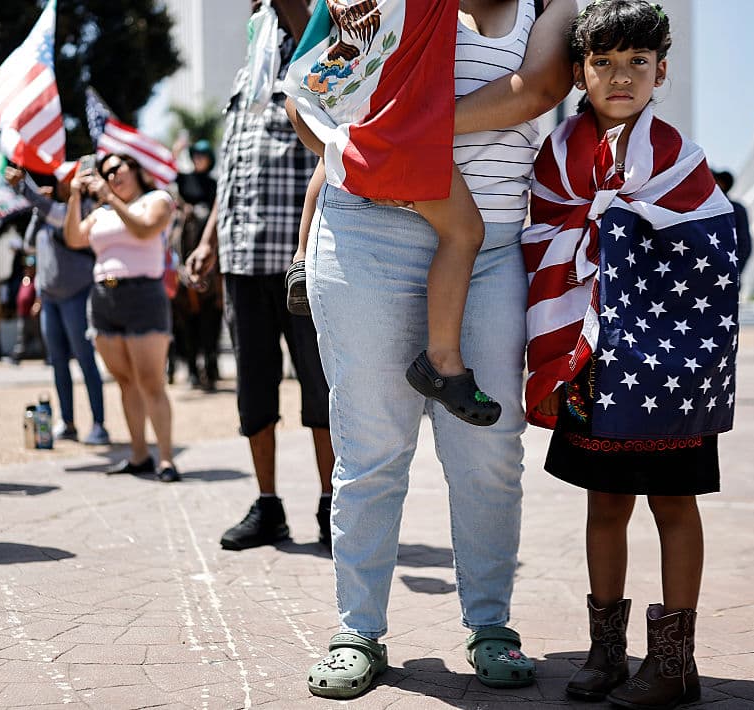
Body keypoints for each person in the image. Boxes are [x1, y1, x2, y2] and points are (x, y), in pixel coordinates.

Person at [296, 0, 577, 699]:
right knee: (369, 448)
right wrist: (364, 143)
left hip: (489, 245)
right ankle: (357, 630)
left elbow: (539, 89)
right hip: (367, 230)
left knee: (489, 452)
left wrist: (399, 130)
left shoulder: (550, 5)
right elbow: (308, 94)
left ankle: (491, 626)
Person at [524, 2, 739, 708]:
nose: (621, 76)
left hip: (664, 368)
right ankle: (606, 652)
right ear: (578, 72)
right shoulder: (556, 157)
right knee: (606, 499)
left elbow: (711, 256)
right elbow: (548, 237)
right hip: (595, 360)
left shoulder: (681, 160)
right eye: (603, 62)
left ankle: (675, 662)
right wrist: (601, 229)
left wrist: (621, 225)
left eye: (637, 63)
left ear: (661, 71)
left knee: (674, 501)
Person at [286, 0, 502, 427]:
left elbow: (300, 85)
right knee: (464, 233)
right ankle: (443, 361)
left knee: (328, 163)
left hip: (348, 125)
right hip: (397, 134)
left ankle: (299, 259)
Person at [185, 0, 335, 552]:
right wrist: (207, 243)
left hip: (302, 258)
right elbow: (233, 170)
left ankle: (330, 505)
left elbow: (307, 29)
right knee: (254, 391)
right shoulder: (248, 70)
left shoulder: (311, 50)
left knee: (321, 389)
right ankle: (268, 505)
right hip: (243, 259)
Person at [64, 153, 179, 482]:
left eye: (118, 168)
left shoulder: (156, 200)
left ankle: (167, 459)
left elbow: (145, 231)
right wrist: (75, 194)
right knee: (126, 382)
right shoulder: (101, 212)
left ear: (136, 170)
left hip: (144, 295)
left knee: (151, 382)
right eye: (106, 172)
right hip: (104, 298)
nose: (112, 175)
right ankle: (140, 455)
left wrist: (110, 198)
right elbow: (74, 238)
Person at [6, 166, 110, 446]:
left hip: (77, 294)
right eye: (62, 179)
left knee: (85, 358)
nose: (64, 184)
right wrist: (39, 208)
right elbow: (29, 245)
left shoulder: (84, 210)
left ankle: (99, 424)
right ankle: (68, 422)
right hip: (49, 297)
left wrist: (24, 188)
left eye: (69, 179)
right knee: (58, 362)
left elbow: (60, 219)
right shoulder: (47, 211)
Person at [171, 140, 222, 392]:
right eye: (195, 155)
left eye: (203, 155)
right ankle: (190, 367)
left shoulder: (214, 183)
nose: (199, 159)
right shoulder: (184, 179)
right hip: (187, 232)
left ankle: (211, 364)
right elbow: (169, 176)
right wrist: (176, 150)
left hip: (209, 235)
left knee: (212, 317)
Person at [713, 170, 752, 273]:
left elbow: (744, 246)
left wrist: (732, 274)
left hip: (722, 277)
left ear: (722, 184)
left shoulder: (736, 210)